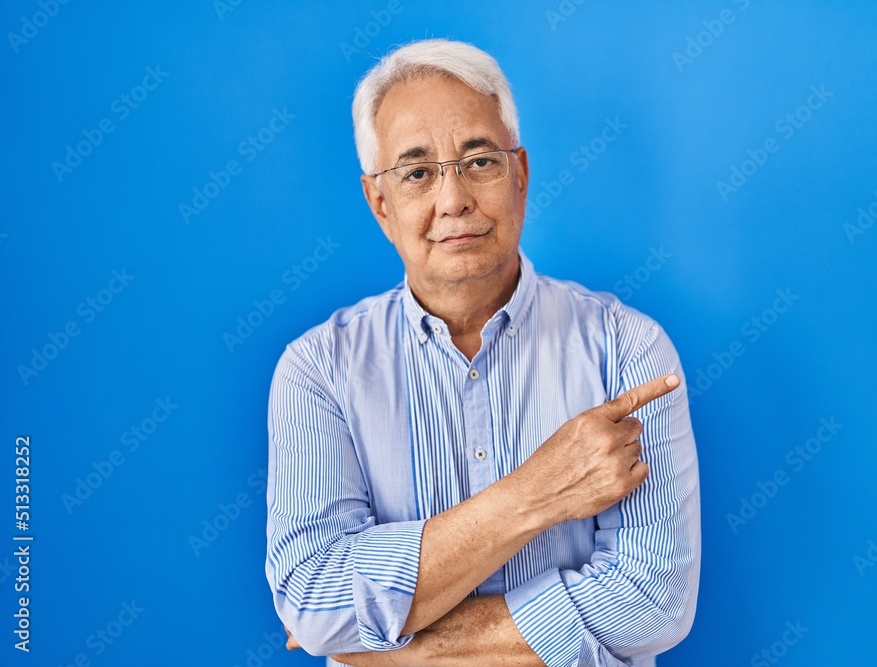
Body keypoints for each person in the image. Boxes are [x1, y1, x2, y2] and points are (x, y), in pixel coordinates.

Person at [265, 38, 701, 666]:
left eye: (480, 162)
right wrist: (538, 493)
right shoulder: (318, 371)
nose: (453, 199)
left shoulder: (626, 349)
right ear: (380, 203)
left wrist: (390, 646)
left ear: (519, 175)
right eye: (417, 172)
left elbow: (652, 600)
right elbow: (312, 596)